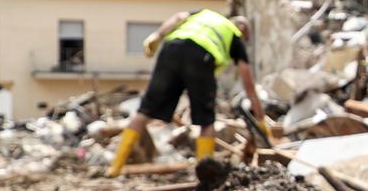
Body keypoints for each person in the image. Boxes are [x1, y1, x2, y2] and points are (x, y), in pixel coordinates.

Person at [106, 9, 267, 178]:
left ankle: (115, 167)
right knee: (206, 122)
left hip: (171, 49)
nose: (243, 40)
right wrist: (261, 120)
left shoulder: (204, 14)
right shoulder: (234, 35)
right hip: (201, 57)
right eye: (245, 37)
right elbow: (249, 87)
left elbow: (178, 17)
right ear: (241, 28)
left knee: (144, 112)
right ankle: (204, 177)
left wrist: (157, 35)